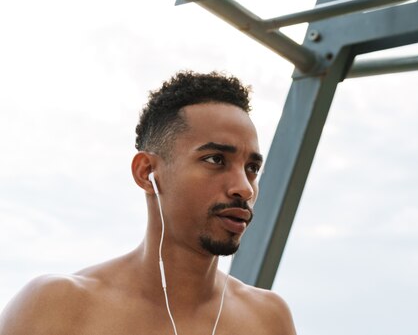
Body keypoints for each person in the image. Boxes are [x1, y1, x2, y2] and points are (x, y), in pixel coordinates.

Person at [0, 71, 297, 335]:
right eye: (215, 160)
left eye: (252, 168)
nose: (244, 188)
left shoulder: (268, 319)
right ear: (147, 172)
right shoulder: (57, 307)